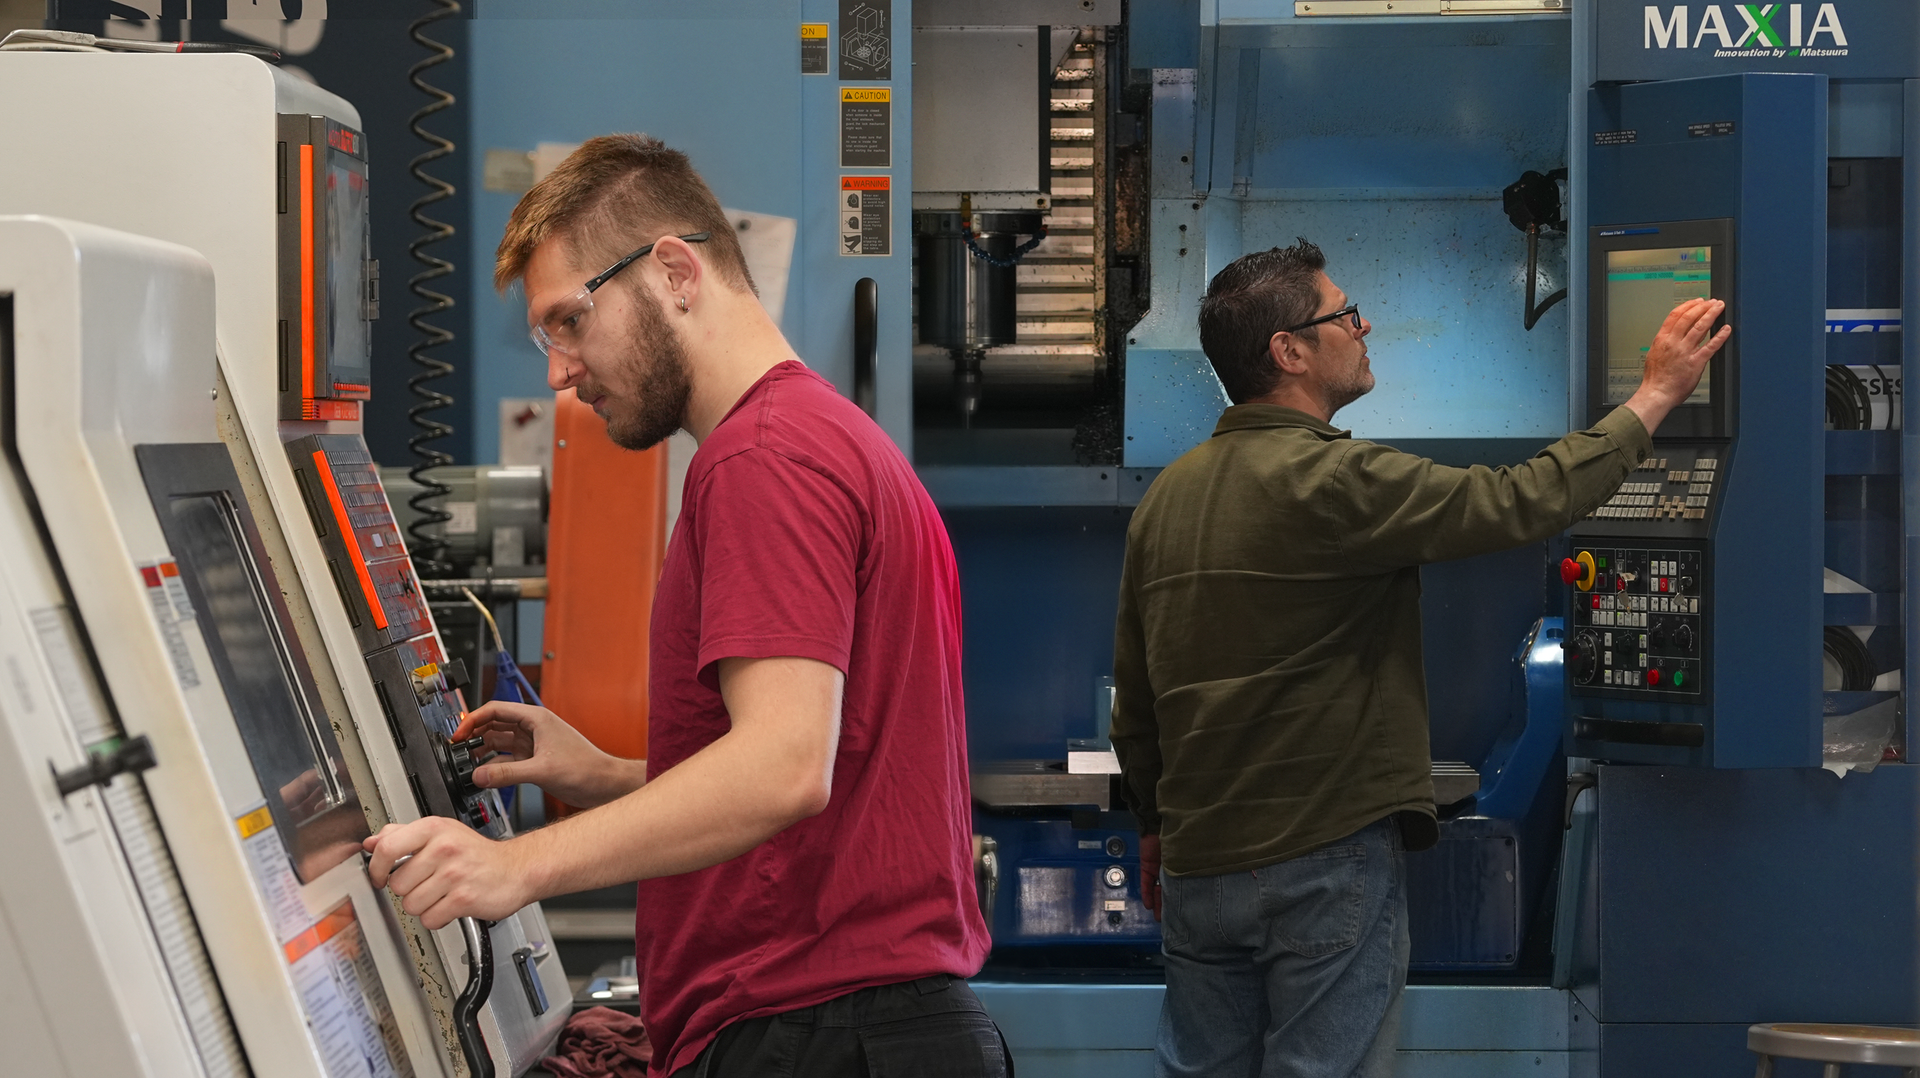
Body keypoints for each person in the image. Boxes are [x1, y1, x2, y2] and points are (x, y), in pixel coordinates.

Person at [361, 134, 1002, 1078]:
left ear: (672, 271)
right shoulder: (831, 438)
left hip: (818, 1032)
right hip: (861, 1028)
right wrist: (614, 773)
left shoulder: (762, 460)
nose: (560, 374)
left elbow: (785, 769)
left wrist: (510, 868)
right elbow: (834, 765)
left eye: (568, 323)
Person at [1110, 239, 1729, 1078]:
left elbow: (1137, 701)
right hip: (1321, 859)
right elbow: (1521, 499)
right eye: (1342, 315)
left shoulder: (1166, 501)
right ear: (1288, 352)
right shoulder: (1335, 480)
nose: (1363, 327)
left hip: (1197, 868)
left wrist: (1154, 826)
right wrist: (1653, 395)